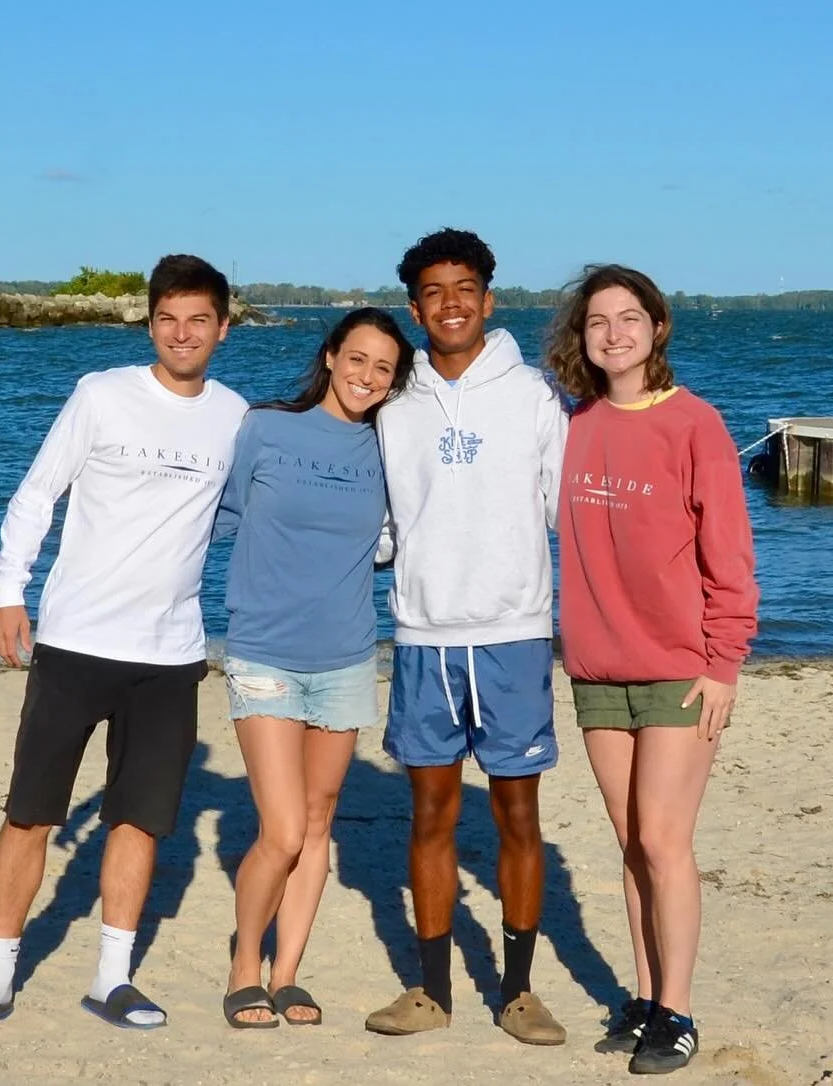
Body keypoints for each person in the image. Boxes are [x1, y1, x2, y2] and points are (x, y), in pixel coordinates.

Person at [0, 254, 248, 1034]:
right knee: (32, 813)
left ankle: (112, 979)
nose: (182, 333)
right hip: (74, 642)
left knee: (137, 820)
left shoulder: (237, 417)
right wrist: (9, 593)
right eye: (168, 318)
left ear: (222, 328)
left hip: (171, 656)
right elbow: (39, 492)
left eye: (198, 319)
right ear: (150, 323)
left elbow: (267, 516)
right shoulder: (101, 395)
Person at [547, 264, 758, 1074]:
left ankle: (679, 1011)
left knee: (667, 842)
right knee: (631, 842)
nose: (614, 333)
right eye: (598, 321)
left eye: (629, 318)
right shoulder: (574, 422)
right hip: (598, 671)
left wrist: (724, 664)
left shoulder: (694, 424)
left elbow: (729, 556)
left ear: (657, 327)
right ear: (583, 336)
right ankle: (643, 999)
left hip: (681, 670)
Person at [363, 228, 569, 1046]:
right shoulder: (393, 403)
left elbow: (572, 514)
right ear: (415, 307)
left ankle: (517, 992)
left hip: (515, 635)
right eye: (433, 292)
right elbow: (374, 523)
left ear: (489, 298)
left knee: (519, 817)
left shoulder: (535, 397)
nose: (450, 304)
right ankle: (431, 990)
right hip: (423, 636)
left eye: (464, 288)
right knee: (431, 819)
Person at [213, 308, 415, 1029]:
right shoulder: (266, 428)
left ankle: (287, 973)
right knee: (284, 829)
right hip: (264, 651)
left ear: (395, 383)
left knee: (321, 819)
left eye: (383, 368)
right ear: (330, 357)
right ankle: (245, 970)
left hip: (347, 657)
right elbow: (211, 518)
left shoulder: (387, 451)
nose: (366, 376)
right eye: (356, 359)